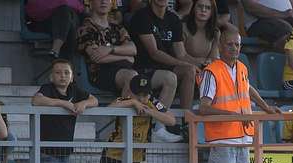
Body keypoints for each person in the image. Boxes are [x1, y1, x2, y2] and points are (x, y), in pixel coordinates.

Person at [199, 27, 280, 163]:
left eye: (237, 44)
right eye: (230, 44)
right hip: (223, 141)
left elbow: (248, 88)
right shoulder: (211, 72)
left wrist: (265, 107)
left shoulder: (241, 68)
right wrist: (233, 116)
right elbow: (204, 108)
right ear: (220, 47)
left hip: (243, 140)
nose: (234, 48)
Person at [100, 74, 175, 163]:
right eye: (137, 95)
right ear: (129, 92)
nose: (141, 99)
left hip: (134, 157)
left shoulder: (153, 103)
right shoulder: (123, 101)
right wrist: (133, 103)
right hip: (112, 154)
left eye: (144, 95)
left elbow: (171, 120)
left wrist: (149, 111)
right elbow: (109, 109)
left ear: (150, 94)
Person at [31, 59, 99, 163]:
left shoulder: (74, 90)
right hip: (48, 153)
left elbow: (94, 100)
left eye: (66, 73)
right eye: (58, 72)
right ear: (51, 77)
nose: (62, 76)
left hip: (65, 154)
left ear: (72, 77)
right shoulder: (48, 89)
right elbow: (36, 100)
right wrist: (62, 103)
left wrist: (83, 104)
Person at [129, 0, 198, 138]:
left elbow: (182, 54)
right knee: (169, 77)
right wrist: (181, 63)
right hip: (143, 69)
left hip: (165, 68)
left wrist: (201, 66)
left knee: (189, 70)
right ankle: (158, 129)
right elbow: (154, 52)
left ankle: (186, 123)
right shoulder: (141, 16)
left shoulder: (173, 19)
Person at [78, 0, 137, 97]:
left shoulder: (118, 28)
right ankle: (124, 106)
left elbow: (133, 49)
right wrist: (126, 57)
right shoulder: (86, 28)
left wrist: (110, 48)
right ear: (91, 4)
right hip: (99, 73)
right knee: (131, 76)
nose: (103, 1)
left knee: (152, 80)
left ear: (111, 4)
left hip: (122, 69)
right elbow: (98, 58)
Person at [182, 0, 220, 68]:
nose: (203, 10)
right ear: (193, 8)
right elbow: (181, 55)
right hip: (187, 67)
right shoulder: (182, 28)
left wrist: (209, 61)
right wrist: (200, 63)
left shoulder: (216, 32)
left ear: (212, 12)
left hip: (207, 67)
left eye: (208, 8)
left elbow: (213, 57)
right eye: (199, 6)